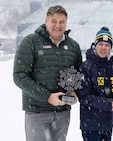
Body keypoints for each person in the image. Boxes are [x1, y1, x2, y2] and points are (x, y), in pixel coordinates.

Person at [13, 5, 82, 141]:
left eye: (61, 22)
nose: (58, 25)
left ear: (66, 23)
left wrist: (75, 92)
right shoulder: (31, 42)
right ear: (46, 21)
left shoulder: (73, 46)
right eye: (54, 21)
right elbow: (19, 76)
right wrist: (47, 97)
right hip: (37, 111)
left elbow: (78, 74)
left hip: (62, 113)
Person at [77, 27, 113, 141]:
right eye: (101, 44)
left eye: (107, 45)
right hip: (90, 124)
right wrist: (108, 104)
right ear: (95, 45)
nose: (103, 48)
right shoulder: (86, 66)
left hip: (107, 122)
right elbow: (84, 97)